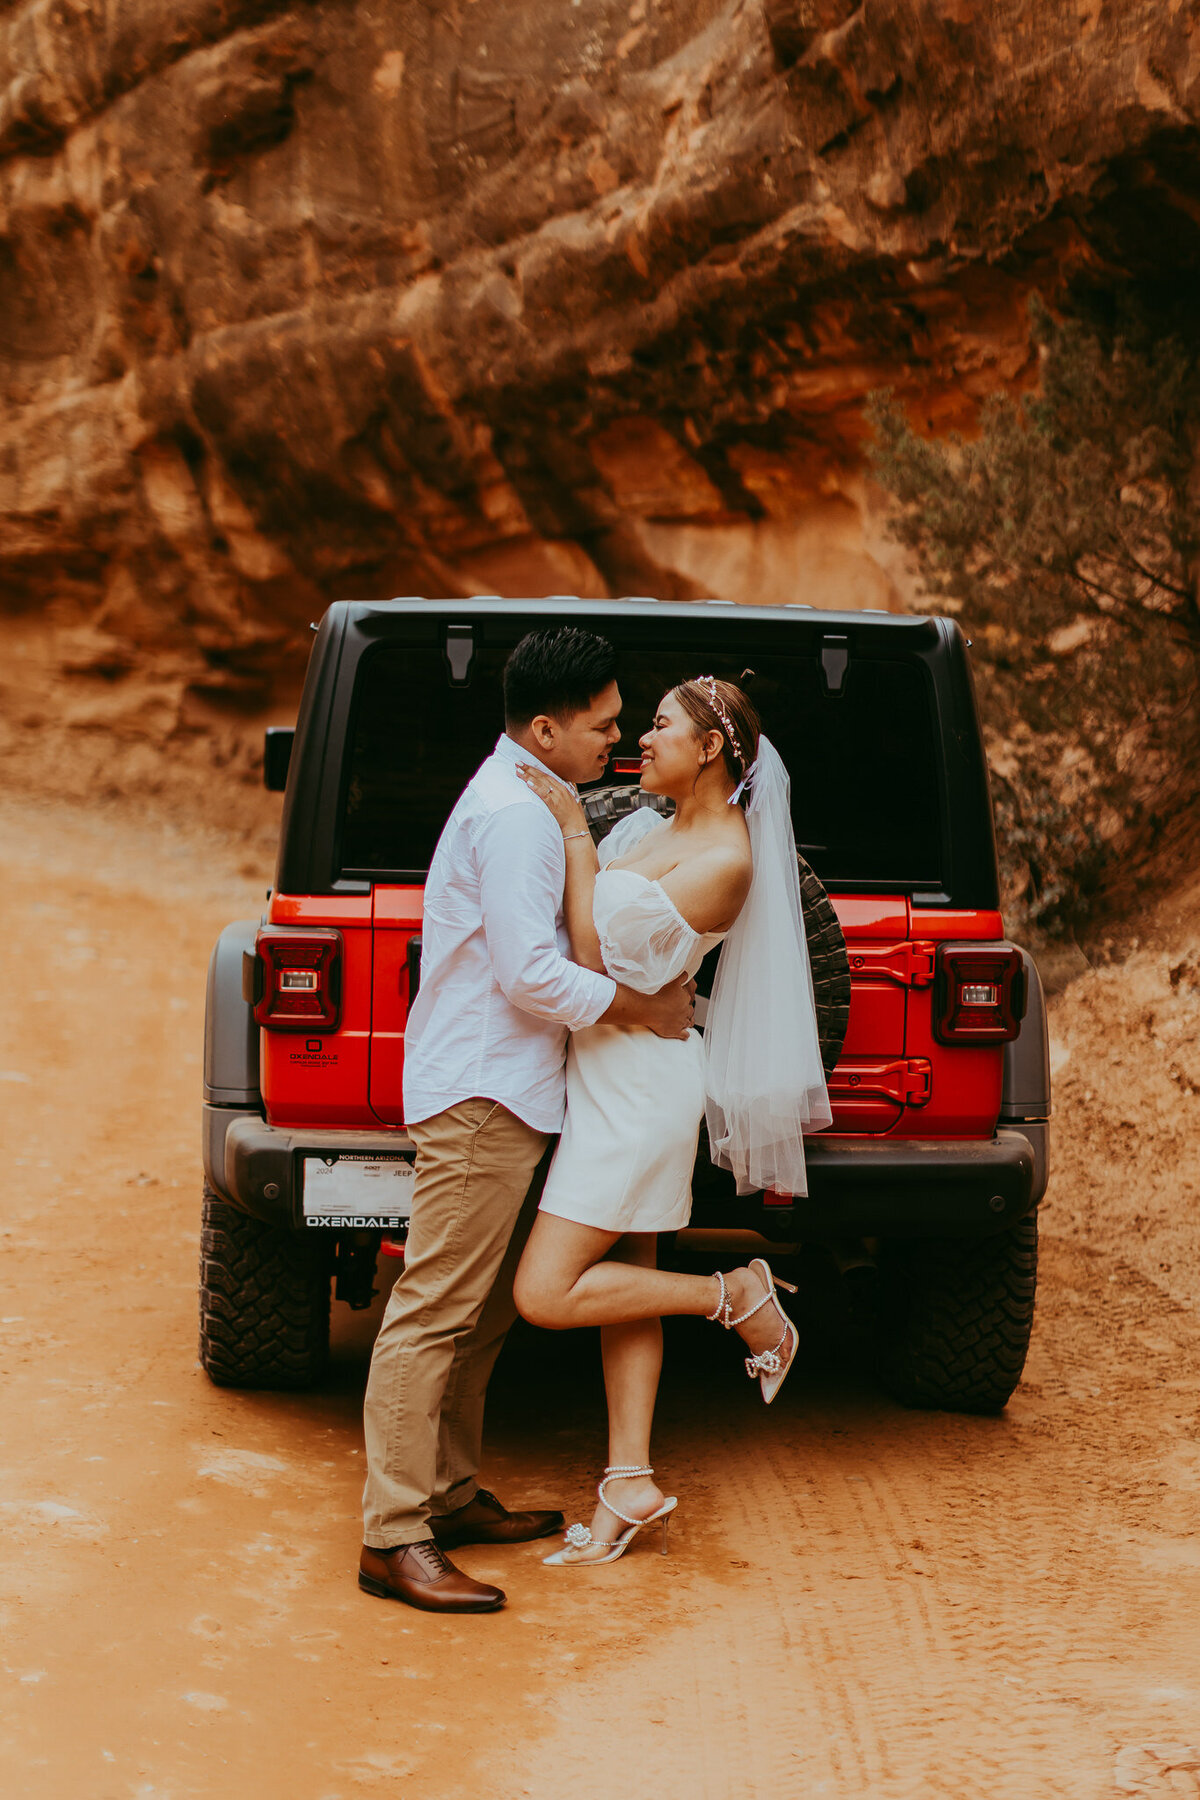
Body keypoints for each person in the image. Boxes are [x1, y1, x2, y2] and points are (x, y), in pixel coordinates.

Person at [358, 627, 696, 1615]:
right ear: (544, 730)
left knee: (484, 1307)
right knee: (431, 1313)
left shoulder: (536, 800)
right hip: (481, 1093)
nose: (618, 740)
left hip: (509, 1088)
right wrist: (639, 1008)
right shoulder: (514, 815)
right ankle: (393, 1536)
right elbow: (527, 973)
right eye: (601, 726)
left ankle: (450, 1493)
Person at [512, 676, 832, 1566]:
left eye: (658, 726)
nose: (639, 741)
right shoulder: (652, 828)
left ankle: (736, 1295)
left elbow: (584, 950)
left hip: (643, 1089)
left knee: (544, 1293)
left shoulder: (726, 861)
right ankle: (628, 1482)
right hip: (605, 1071)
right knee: (624, 1288)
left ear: (712, 749)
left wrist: (572, 826)